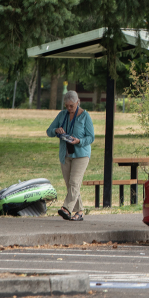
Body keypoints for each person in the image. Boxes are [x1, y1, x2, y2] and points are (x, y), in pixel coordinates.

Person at [46, 91, 95, 221]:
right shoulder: (62, 115)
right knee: (71, 185)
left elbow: (91, 137)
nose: (69, 108)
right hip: (65, 154)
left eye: (71, 106)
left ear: (78, 102)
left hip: (81, 154)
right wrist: (56, 130)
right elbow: (49, 131)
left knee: (74, 182)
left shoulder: (85, 116)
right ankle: (79, 211)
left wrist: (79, 141)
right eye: (66, 106)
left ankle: (66, 208)